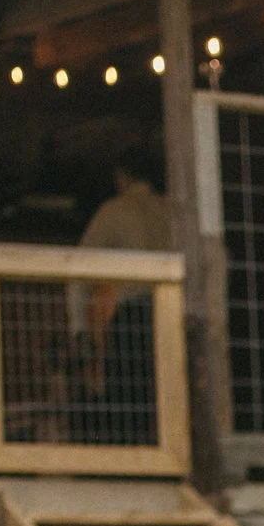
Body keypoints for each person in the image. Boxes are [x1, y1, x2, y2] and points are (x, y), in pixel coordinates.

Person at [79, 144, 174, 445]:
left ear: (122, 176)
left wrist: (80, 327)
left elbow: (79, 265)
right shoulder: (172, 210)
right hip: (173, 315)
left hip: (133, 316)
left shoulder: (114, 211)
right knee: (168, 392)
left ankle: (133, 455)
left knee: (130, 399)